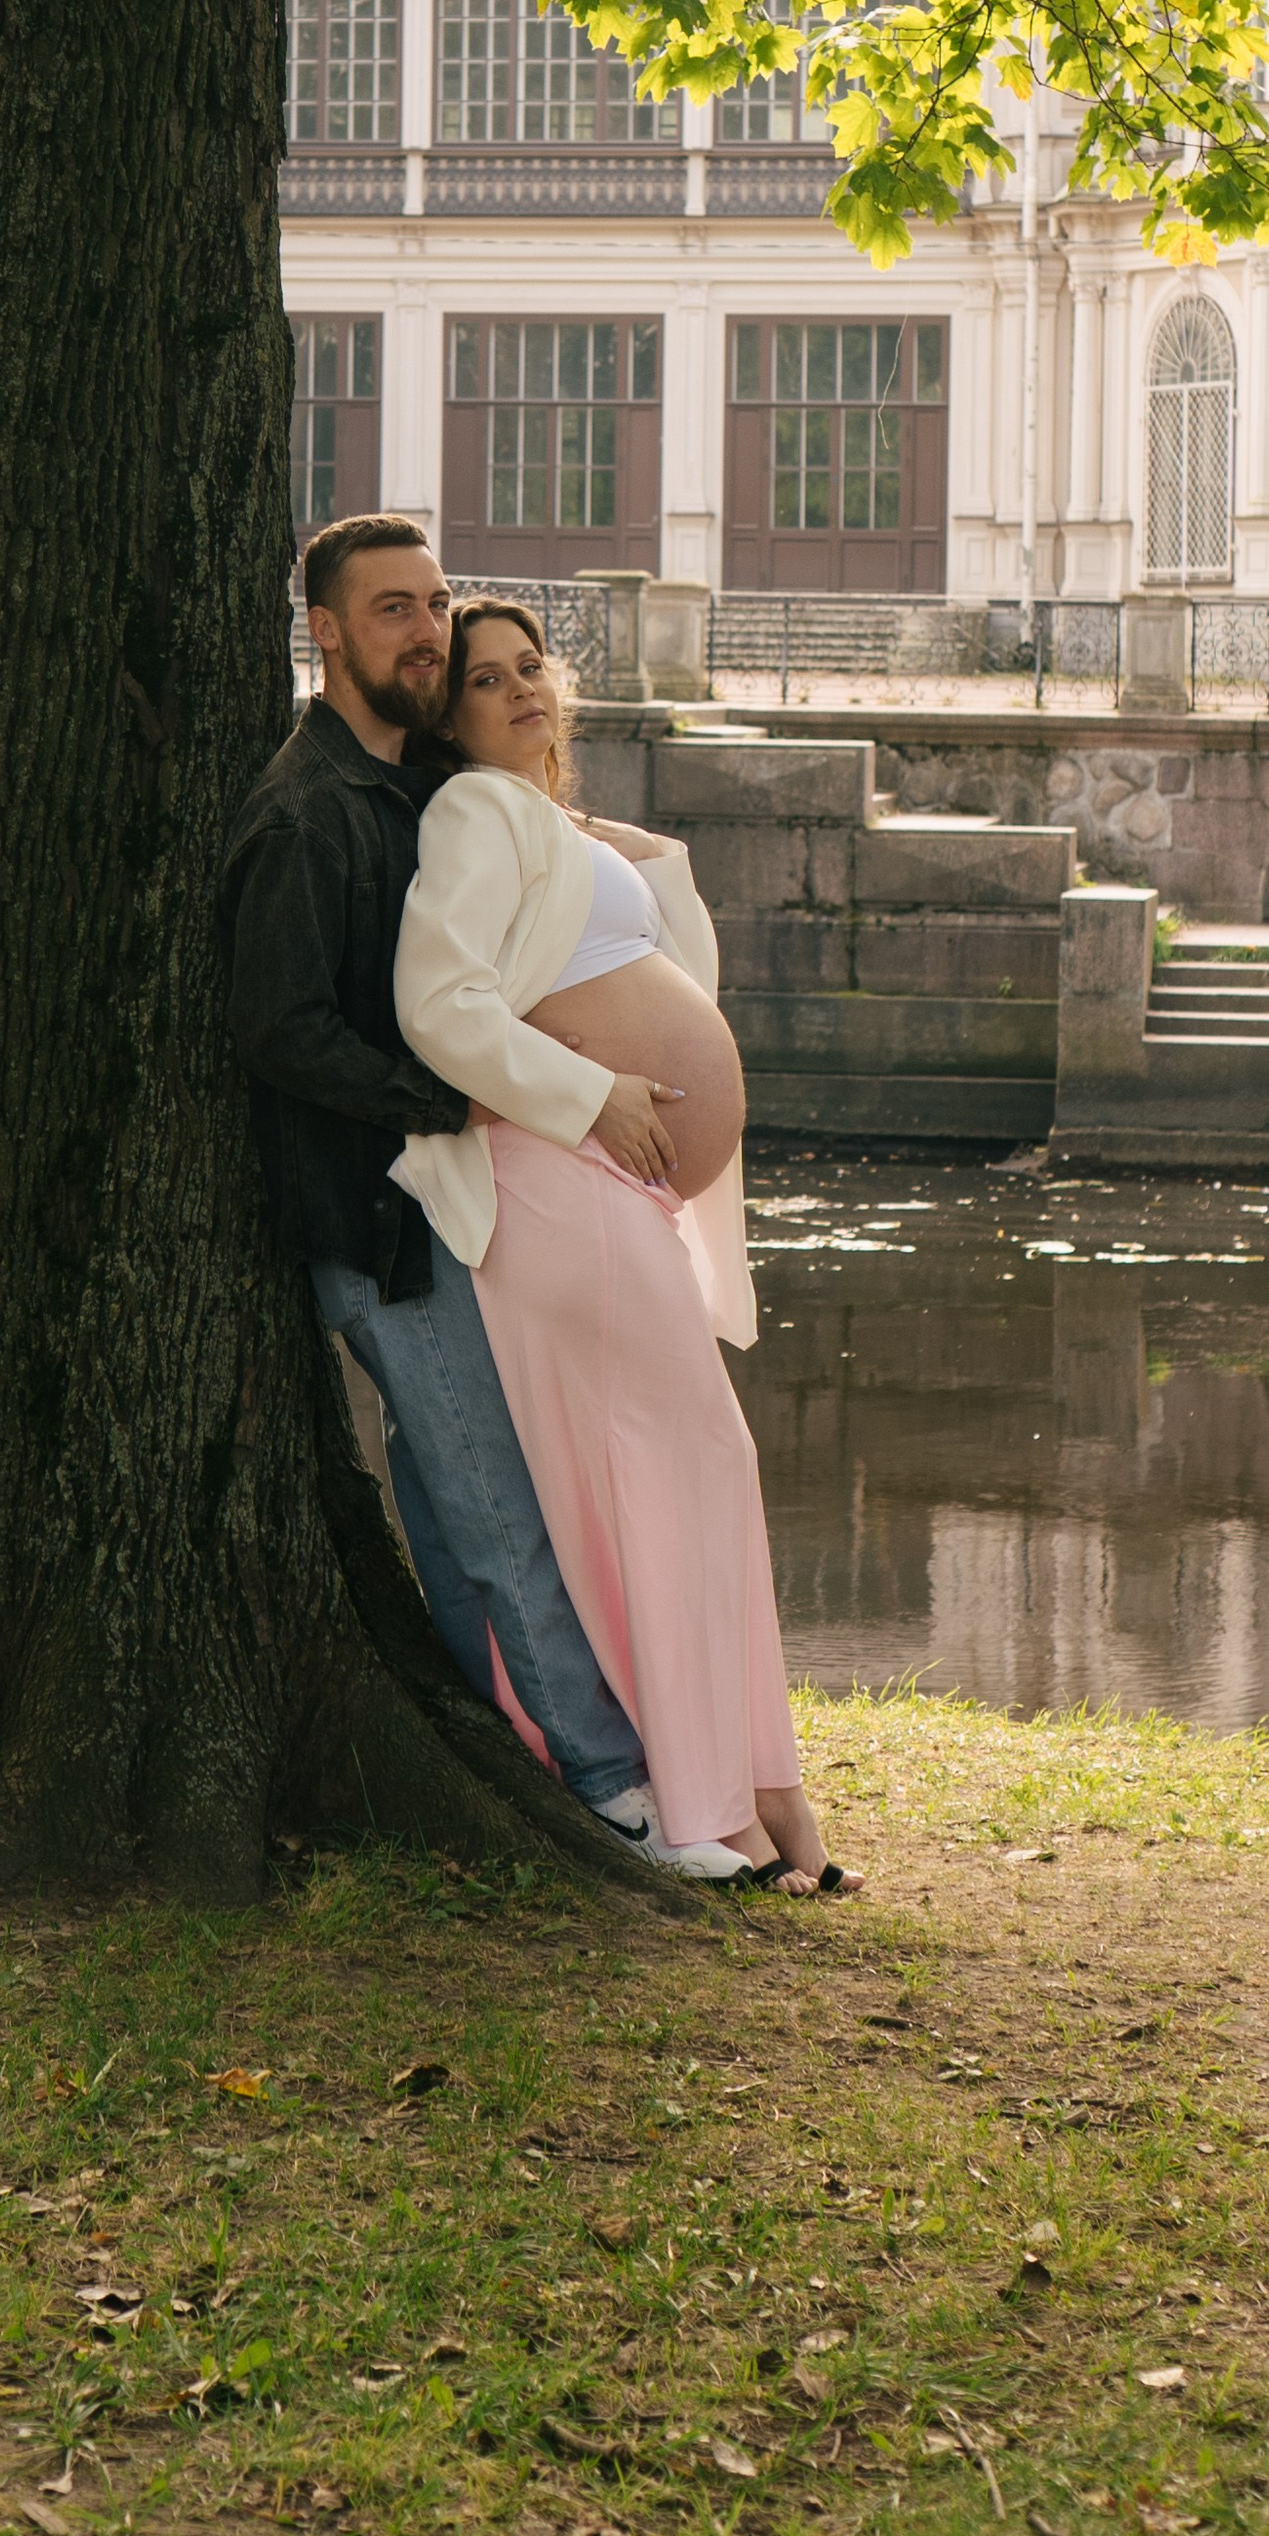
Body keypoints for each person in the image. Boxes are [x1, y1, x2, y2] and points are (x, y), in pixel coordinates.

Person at [220, 515, 728, 1873]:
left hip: (431, 1206)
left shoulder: (408, 785)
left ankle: (498, 1745)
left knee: (453, 1515)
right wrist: (474, 1095)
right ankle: (616, 1792)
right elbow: (277, 1029)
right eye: (392, 609)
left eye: (435, 604)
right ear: (323, 631)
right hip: (372, 1222)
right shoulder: (309, 809)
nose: (426, 632)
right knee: (495, 1507)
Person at [392, 598, 857, 1896]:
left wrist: (630, 854)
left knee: (680, 1466)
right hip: (558, 1180)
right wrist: (591, 1094)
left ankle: (767, 1806)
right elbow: (440, 1005)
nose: (521, 689)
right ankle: (698, 1801)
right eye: (486, 680)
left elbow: (670, 973)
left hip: (612, 1190)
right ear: (451, 716)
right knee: (674, 1464)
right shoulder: (475, 815)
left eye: (533, 667)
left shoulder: (553, 829)